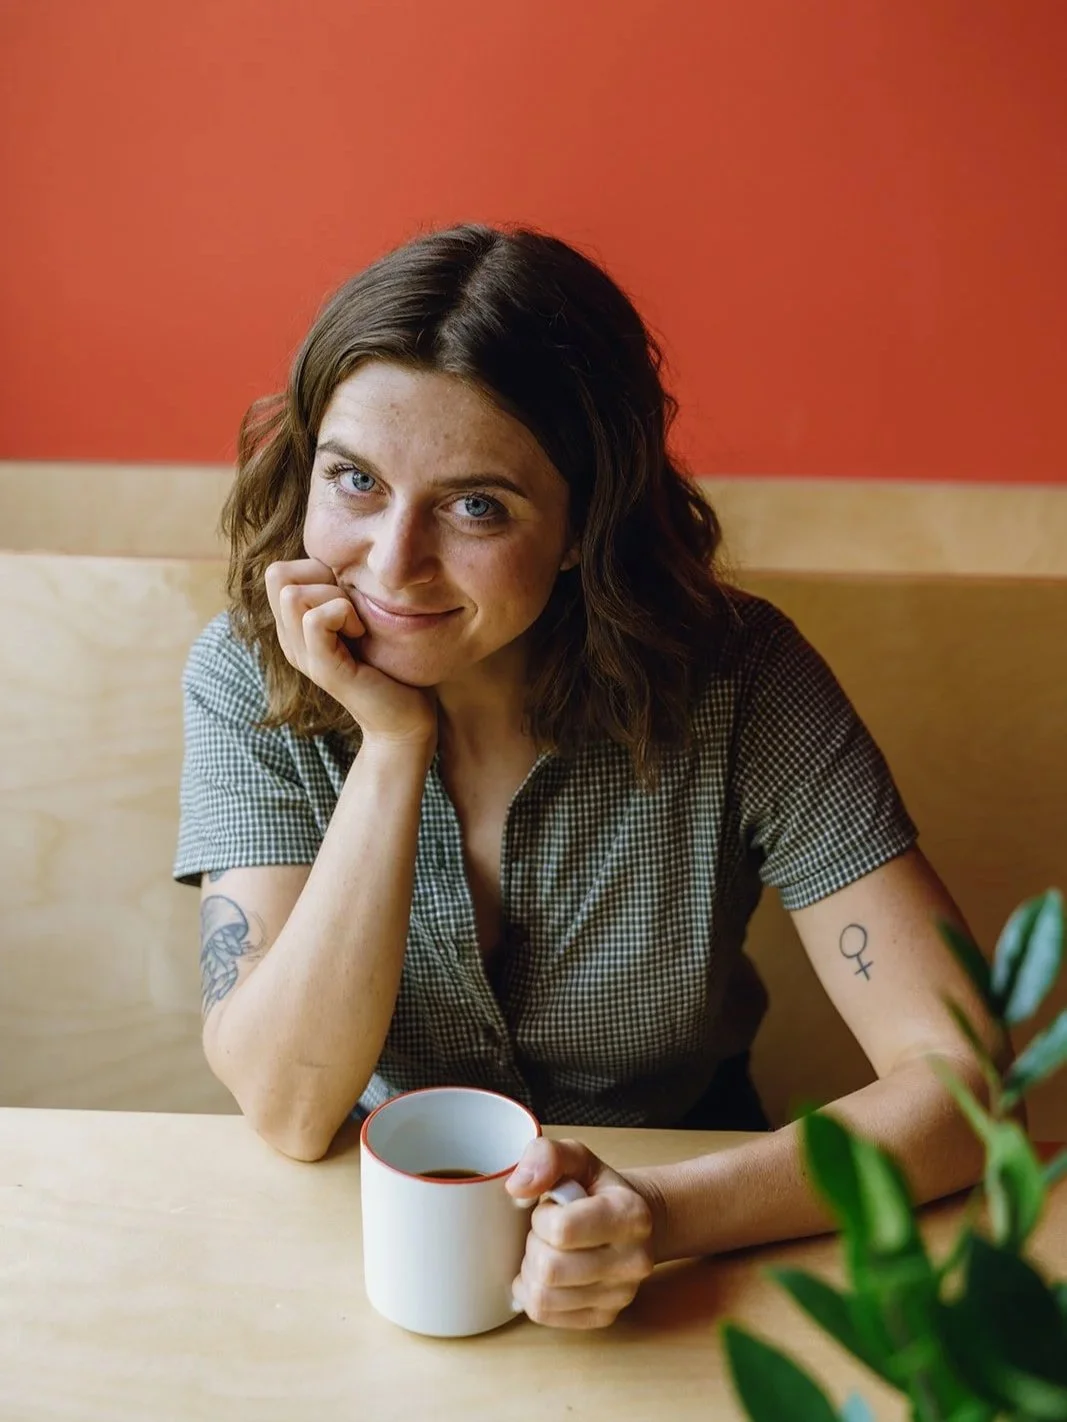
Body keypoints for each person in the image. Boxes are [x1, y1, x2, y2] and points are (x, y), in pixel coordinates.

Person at [176, 223, 998, 1330]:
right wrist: (391, 745)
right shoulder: (249, 671)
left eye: (476, 506)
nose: (391, 560)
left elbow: (960, 1082)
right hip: (366, 1244)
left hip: (696, 1240)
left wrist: (652, 1214)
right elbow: (285, 1105)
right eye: (355, 481)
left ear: (579, 525)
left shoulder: (739, 681)